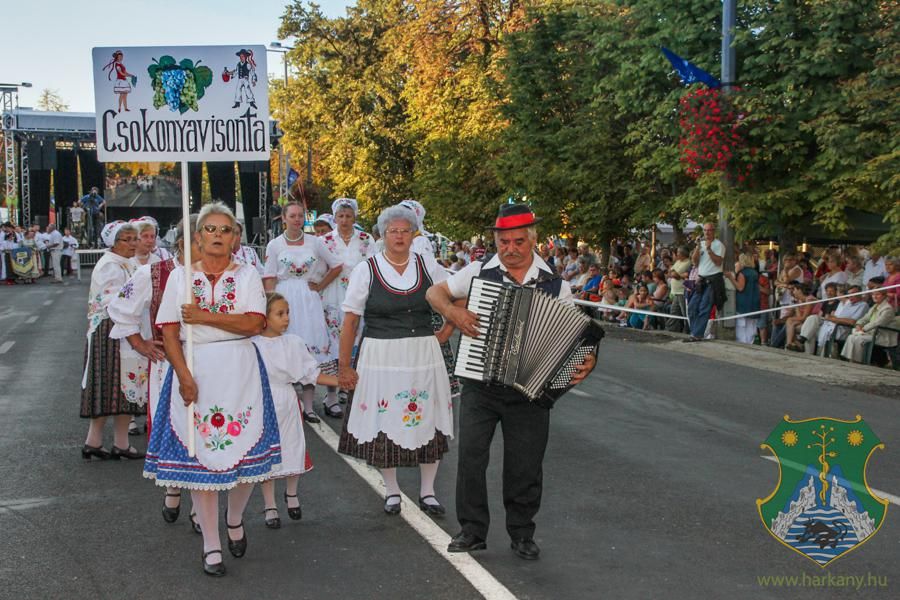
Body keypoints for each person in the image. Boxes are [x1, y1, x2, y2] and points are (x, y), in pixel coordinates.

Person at [425, 203, 597, 560]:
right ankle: (472, 531)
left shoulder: (555, 285)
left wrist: (587, 360)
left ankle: (522, 533)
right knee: (471, 458)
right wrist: (453, 311)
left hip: (529, 392)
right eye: (503, 242)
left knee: (526, 464)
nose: (510, 249)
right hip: (480, 383)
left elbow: (575, 339)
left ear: (532, 240)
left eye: (518, 241)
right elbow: (433, 293)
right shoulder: (478, 271)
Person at [143, 202, 281, 577]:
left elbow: (254, 323)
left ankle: (234, 518)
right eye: (210, 229)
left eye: (225, 230)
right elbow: (169, 330)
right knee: (199, 457)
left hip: (240, 371)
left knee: (243, 452)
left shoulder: (249, 274)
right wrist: (184, 375)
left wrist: (206, 316)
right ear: (197, 237)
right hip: (196, 367)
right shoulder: (180, 278)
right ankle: (211, 543)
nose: (218, 235)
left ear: (236, 238)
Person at [336, 205, 455, 516]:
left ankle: (428, 491)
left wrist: (446, 329)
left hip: (423, 354)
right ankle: (392, 490)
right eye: (393, 231)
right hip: (381, 354)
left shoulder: (429, 265)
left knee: (428, 418)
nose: (399, 236)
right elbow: (350, 321)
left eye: (405, 231)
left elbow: (456, 296)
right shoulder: (367, 269)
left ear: (414, 234)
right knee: (382, 421)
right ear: (383, 235)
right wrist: (344, 366)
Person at [108, 215, 201, 528]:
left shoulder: (220, 273)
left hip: (213, 362)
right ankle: (175, 486)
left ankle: (200, 502)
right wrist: (140, 343)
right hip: (169, 365)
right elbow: (120, 307)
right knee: (177, 427)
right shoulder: (155, 272)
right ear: (183, 242)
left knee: (205, 430)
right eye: (200, 238)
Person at [254, 292, 344, 528]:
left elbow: (311, 373)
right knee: (268, 453)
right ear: (263, 317)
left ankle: (291, 493)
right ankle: (269, 504)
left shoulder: (293, 342)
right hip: (262, 402)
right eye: (279, 314)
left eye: (288, 313)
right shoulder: (252, 344)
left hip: (286, 400)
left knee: (292, 447)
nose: (286, 318)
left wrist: (342, 382)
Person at [263, 201, 343, 423]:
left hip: (308, 299)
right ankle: (286, 404)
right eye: (293, 216)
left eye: (300, 216)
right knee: (284, 348)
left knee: (311, 350)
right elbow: (269, 276)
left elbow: (336, 265)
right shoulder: (275, 245)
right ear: (284, 218)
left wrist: (320, 285)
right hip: (284, 296)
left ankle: (309, 407)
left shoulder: (315, 242)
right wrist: (269, 307)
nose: (297, 219)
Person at [80, 221, 145, 461]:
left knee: (120, 388)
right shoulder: (110, 266)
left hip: (120, 326)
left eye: (134, 239)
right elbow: (114, 301)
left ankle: (112, 442)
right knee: (109, 387)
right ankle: (99, 441)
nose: (133, 244)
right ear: (113, 243)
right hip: (111, 328)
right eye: (127, 240)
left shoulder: (125, 264)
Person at [320, 198, 375, 407]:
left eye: (348, 216)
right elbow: (319, 268)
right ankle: (331, 392)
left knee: (356, 340)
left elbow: (373, 267)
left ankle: (350, 386)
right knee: (333, 343)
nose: (344, 220)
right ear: (334, 218)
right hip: (333, 295)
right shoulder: (325, 240)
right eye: (340, 216)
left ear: (355, 217)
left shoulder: (366, 239)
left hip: (359, 295)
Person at [799, 285, 868, 355]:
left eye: (853, 294)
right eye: (849, 294)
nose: (850, 296)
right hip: (832, 323)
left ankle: (805, 347)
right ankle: (803, 342)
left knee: (812, 330)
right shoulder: (848, 304)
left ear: (859, 294)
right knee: (812, 319)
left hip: (842, 328)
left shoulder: (863, 305)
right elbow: (837, 317)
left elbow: (852, 322)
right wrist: (832, 317)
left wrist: (833, 318)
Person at [685, 224, 725, 342]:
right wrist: (698, 247)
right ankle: (695, 332)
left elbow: (718, 262)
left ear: (714, 231)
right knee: (692, 306)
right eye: (705, 230)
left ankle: (697, 333)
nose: (707, 233)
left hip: (713, 279)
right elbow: (695, 262)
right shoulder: (701, 244)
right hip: (701, 279)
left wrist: (708, 249)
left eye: (709, 230)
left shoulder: (719, 245)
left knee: (704, 307)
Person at [840, 282, 897, 363]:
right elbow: (865, 318)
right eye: (873, 294)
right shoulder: (874, 307)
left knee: (859, 339)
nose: (874, 296)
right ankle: (850, 360)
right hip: (871, 332)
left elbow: (878, 323)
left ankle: (858, 361)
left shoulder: (888, 309)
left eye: (878, 294)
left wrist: (863, 329)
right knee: (851, 337)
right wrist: (859, 324)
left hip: (882, 335)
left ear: (884, 296)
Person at [725, 253, 760, 344]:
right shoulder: (754, 272)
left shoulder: (742, 273)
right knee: (751, 326)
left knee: (741, 327)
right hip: (754, 301)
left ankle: (743, 344)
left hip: (744, 302)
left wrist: (731, 278)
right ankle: (750, 343)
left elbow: (740, 287)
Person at [665, 246, 691, 333]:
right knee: (674, 311)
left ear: (683, 254)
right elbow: (671, 272)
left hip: (682, 291)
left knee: (684, 312)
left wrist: (674, 273)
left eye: (679, 252)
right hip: (675, 292)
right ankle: (670, 328)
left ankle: (687, 329)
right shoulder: (678, 262)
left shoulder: (687, 263)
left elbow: (676, 274)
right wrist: (674, 273)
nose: (677, 254)